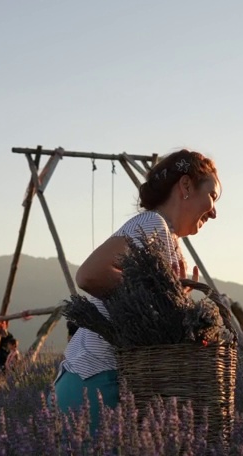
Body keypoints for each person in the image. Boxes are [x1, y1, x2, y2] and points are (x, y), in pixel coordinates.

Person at [51, 148, 221, 432]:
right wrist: (162, 297)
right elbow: (90, 275)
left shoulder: (168, 238)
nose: (214, 211)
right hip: (96, 380)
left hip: (102, 380)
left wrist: (174, 303)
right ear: (186, 186)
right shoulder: (152, 223)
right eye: (213, 196)